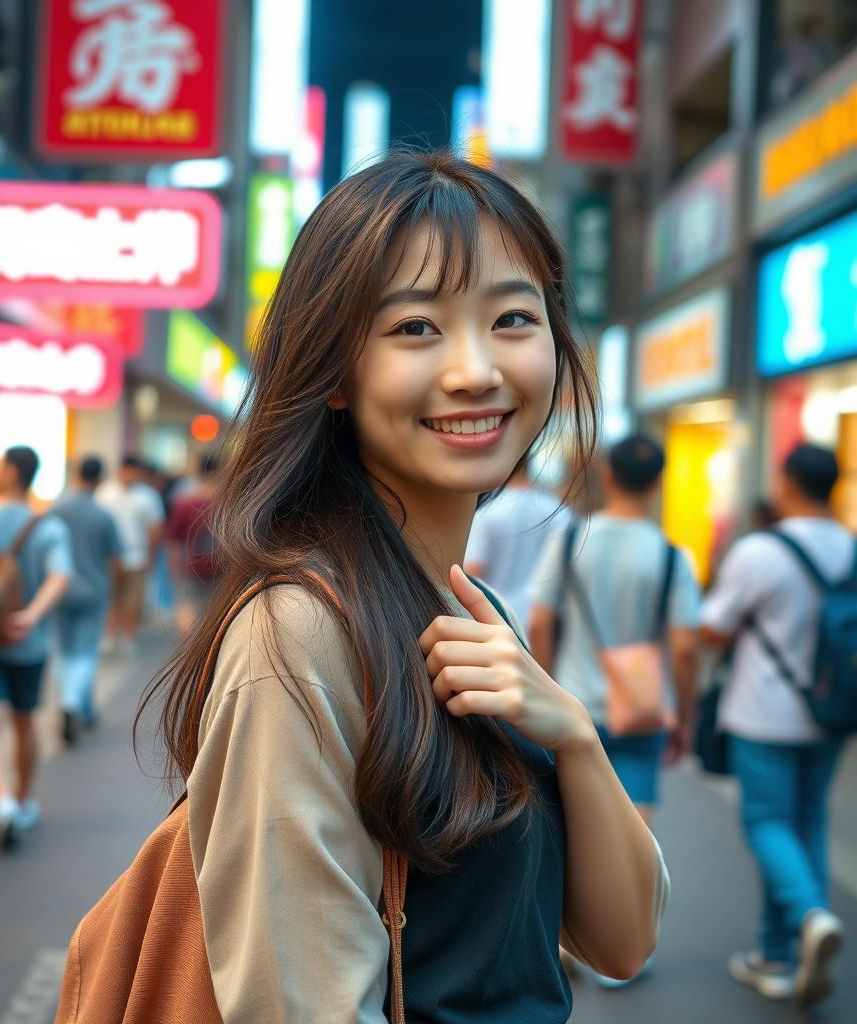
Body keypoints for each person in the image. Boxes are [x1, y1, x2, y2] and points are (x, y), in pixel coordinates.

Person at [136, 151, 669, 1021]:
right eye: (417, 327)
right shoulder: (298, 633)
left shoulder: (472, 610)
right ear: (335, 371)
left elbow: (622, 943)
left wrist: (574, 736)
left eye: (512, 319)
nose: (475, 371)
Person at [700, 443, 852, 1007]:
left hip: (764, 712)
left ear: (788, 482)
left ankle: (811, 920)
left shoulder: (761, 551)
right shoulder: (851, 548)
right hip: (834, 713)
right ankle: (777, 955)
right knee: (806, 819)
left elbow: (712, 629)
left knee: (767, 821)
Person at [530, 436, 701, 830]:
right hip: (639, 709)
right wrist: (685, 719)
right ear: (659, 483)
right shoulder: (673, 556)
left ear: (608, 476)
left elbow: (540, 622)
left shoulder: (570, 540)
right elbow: (686, 649)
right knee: (634, 828)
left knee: (572, 824)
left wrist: (545, 686)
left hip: (573, 703)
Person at [0, 446, 71, 849]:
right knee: (25, 722)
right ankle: (23, 800)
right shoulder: (48, 527)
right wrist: (30, 615)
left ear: (11, 473)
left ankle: (1, 799)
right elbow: (60, 577)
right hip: (29, 643)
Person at [52, 456, 122, 746]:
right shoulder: (103, 516)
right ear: (99, 480)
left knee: (65, 650)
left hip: (59, 589)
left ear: (77, 474)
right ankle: (73, 703)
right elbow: (115, 560)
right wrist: (115, 591)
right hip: (93, 589)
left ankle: (79, 704)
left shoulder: (57, 511)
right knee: (85, 651)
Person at [464, 465, 571, 628]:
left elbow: (470, 575)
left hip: (495, 619)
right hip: (546, 624)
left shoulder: (487, 514)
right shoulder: (559, 513)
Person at [96, 455, 165, 654]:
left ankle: (127, 637)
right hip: (110, 557)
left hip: (137, 555)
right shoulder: (105, 493)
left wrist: (151, 556)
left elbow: (155, 528)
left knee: (132, 600)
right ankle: (108, 636)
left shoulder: (148, 496)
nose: (128, 475)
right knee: (111, 597)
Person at [167, 450, 220, 636]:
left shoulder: (185, 502)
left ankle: (191, 649)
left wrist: (174, 568)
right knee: (215, 613)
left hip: (190, 564)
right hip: (221, 566)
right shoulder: (228, 503)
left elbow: (174, 539)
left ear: (197, 472)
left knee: (187, 608)